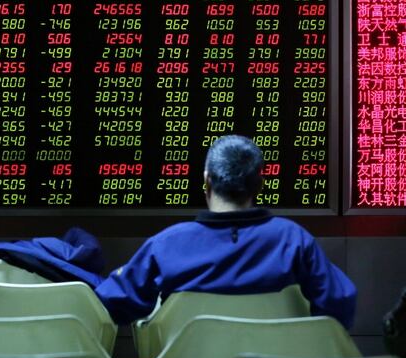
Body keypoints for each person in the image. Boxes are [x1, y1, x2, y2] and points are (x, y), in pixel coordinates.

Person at [95, 135, 357, 329]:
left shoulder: (166, 244)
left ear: (207, 180)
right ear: (260, 183)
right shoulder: (293, 240)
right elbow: (339, 300)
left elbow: (111, 305)